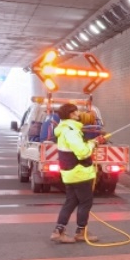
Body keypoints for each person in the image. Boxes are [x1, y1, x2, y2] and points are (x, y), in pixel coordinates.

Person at [49, 103, 107, 243]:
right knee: (85, 202)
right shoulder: (71, 131)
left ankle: (59, 230)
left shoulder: (64, 130)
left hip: (70, 173)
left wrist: (92, 141)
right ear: (70, 115)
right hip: (79, 172)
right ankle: (81, 232)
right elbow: (82, 153)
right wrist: (93, 144)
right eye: (76, 112)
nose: (79, 114)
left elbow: (77, 147)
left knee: (71, 202)